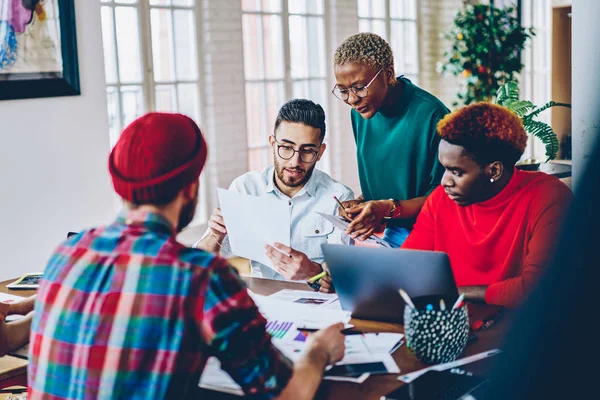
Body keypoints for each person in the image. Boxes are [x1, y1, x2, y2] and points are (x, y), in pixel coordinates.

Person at [28, 113, 346, 399]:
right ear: (190, 188)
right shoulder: (201, 276)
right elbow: (289, 395)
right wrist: (319, 350)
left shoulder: (68, 252)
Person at [401, 103, 573, 307]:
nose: (444, 182)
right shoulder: (441, 199)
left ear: (494, 171)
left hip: (520, 328)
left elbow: (543, 287)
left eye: (457, 172)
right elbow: (408, 266)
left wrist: (456, 293)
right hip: (453, 322)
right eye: (444, 169)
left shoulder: (548, 197)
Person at [195, 99, 353, 284]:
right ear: (272, 143)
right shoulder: (245, 188)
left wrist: (312, 271)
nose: (295, 162)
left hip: (318, 302)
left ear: (320, 152)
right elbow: (197, 266)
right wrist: (215, 235)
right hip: (264, 301)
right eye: (286, 148)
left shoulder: (340, 197)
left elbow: (344, 276)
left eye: (308, 151)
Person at [332, 32, 449, 247]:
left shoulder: (433, 116)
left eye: (359, 87)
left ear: (388, 74)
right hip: (381, 237)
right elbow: (387, 181)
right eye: (343, 90)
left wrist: (388, 208)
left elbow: (446, 199)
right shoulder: (360, 114)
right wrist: (361, 204)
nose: (351, 99)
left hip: (428, 238)